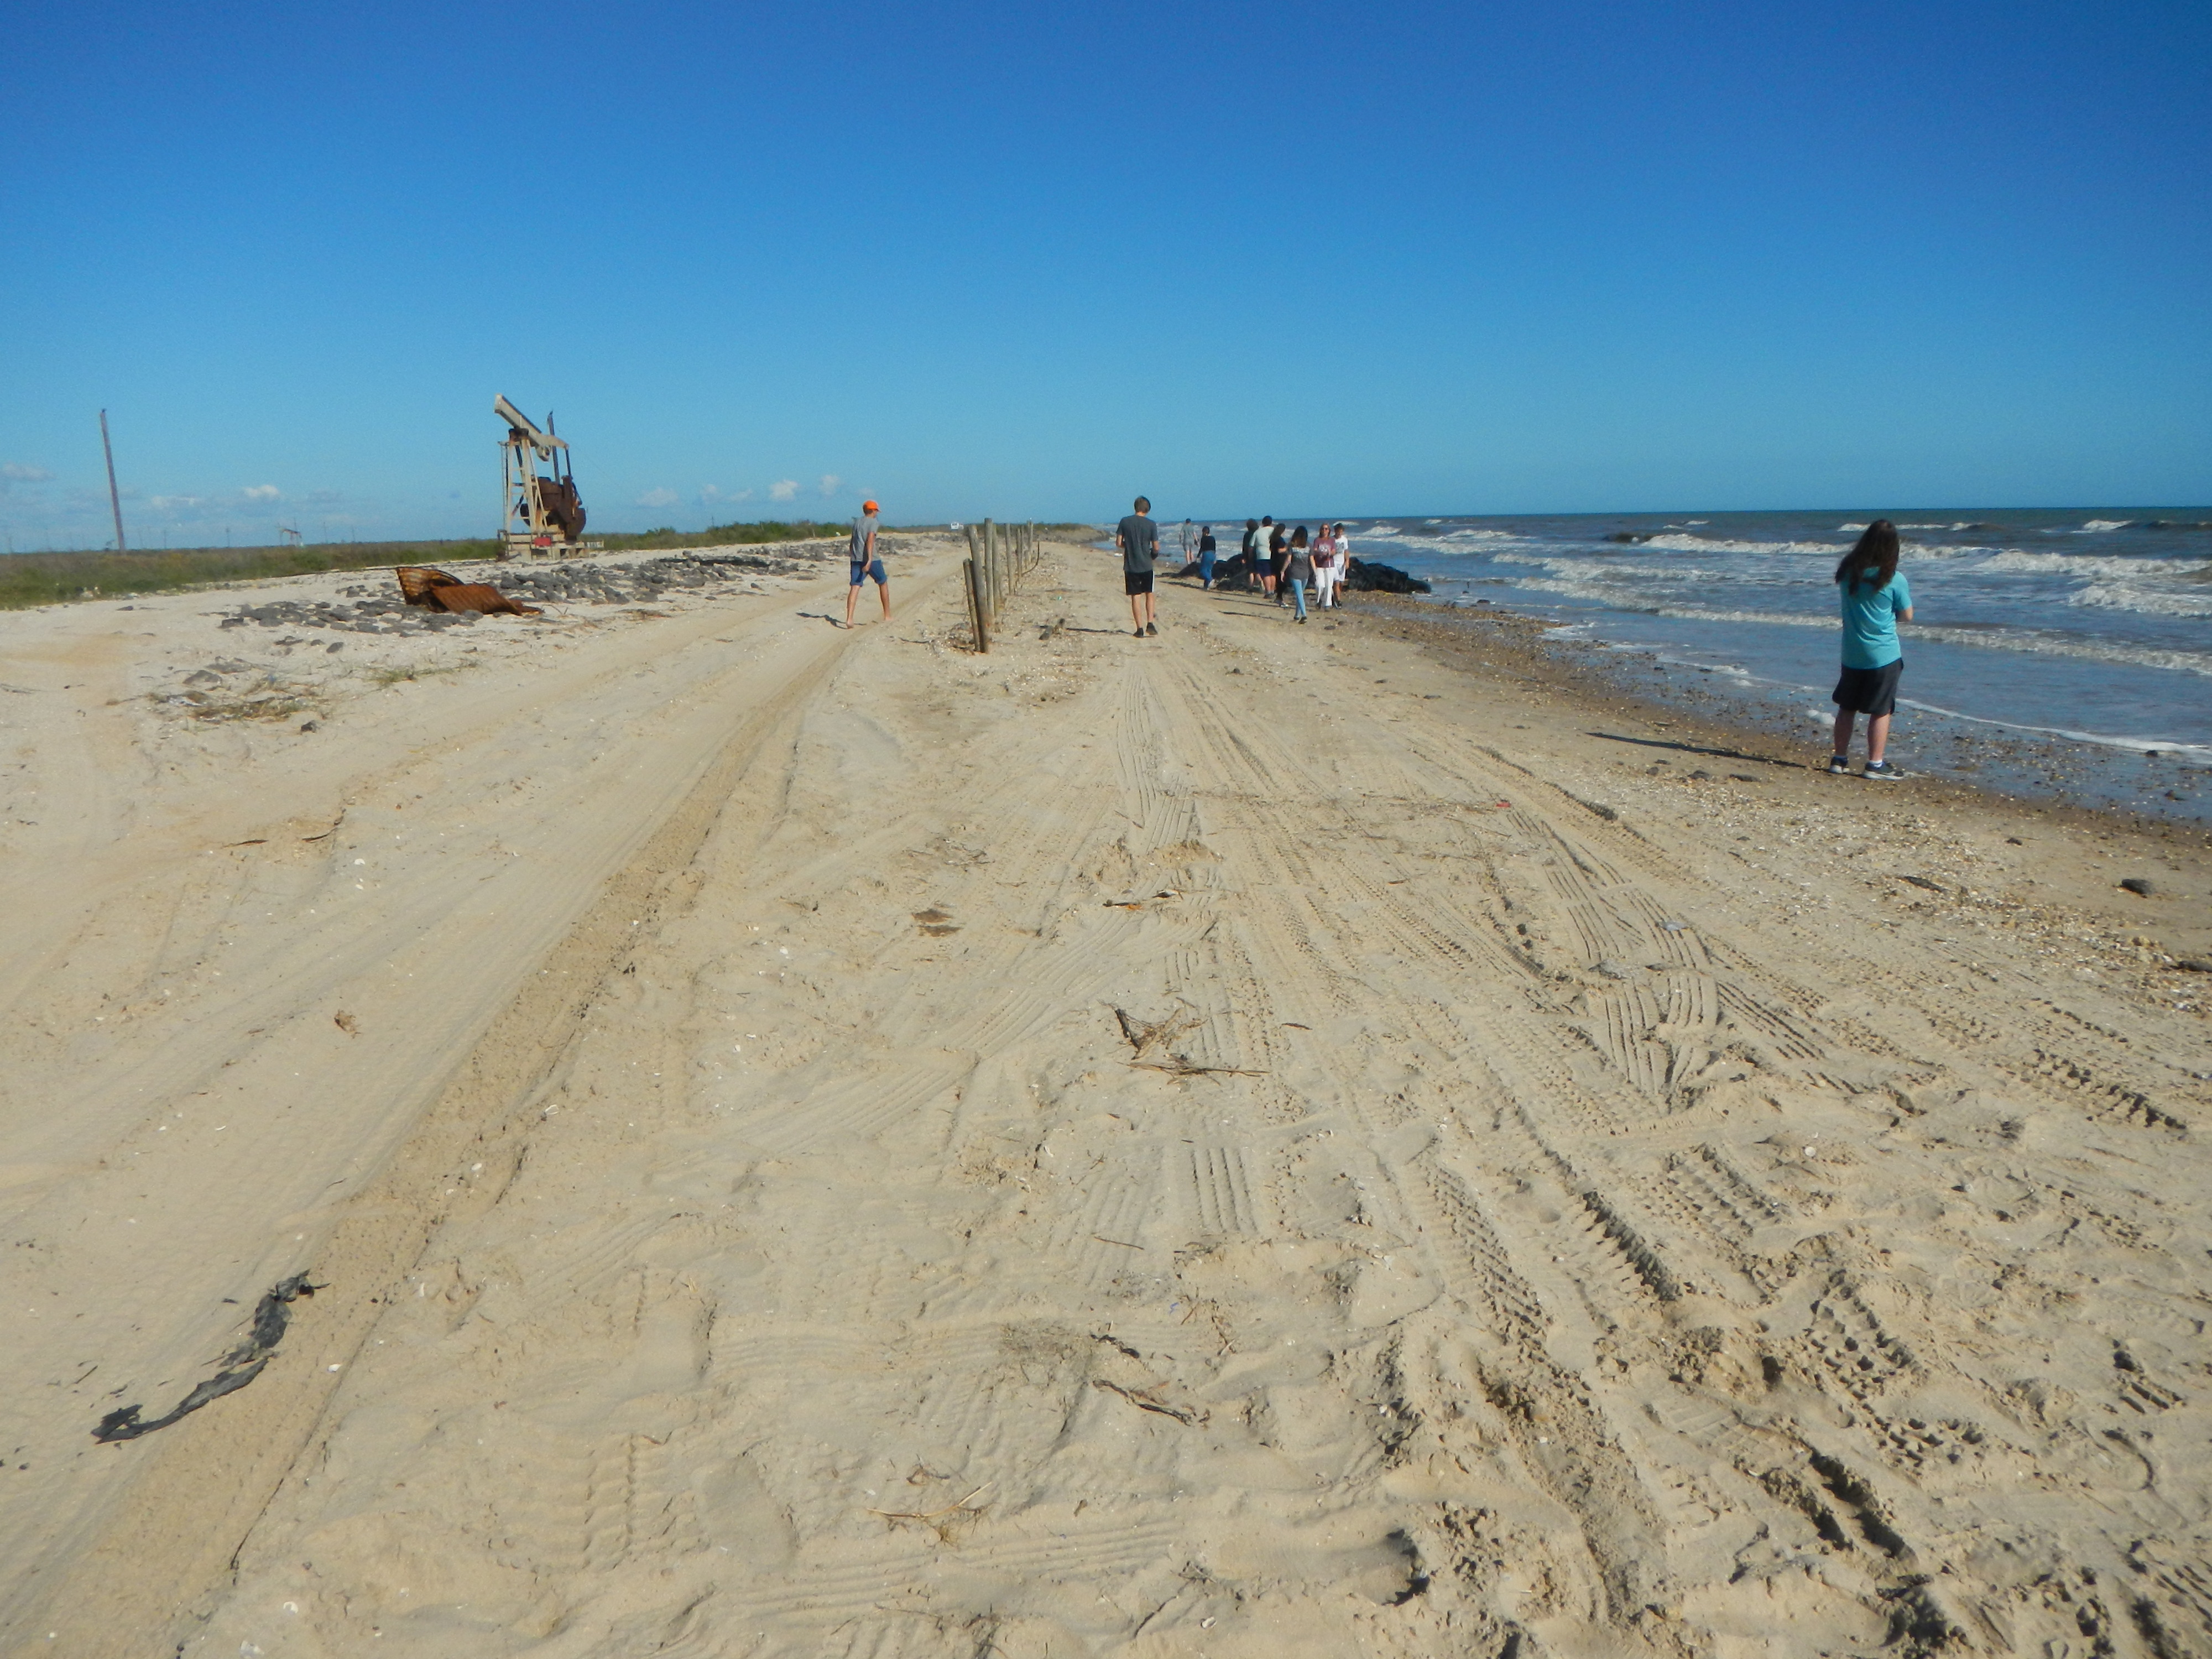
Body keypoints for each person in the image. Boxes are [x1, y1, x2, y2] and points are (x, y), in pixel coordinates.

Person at [1829, 519, 1913, 779]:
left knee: (1847, 707)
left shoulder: (1848, 572)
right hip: (1883, 653)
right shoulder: (1894, 579)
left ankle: (1839, 758)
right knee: (1880, 709)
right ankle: (1875, 763)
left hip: (1852, 651)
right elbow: (1907, 615)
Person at [1118, 495, 1160, 637]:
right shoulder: (1151, 524)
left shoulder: (1125, 522)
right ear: (1147, 509)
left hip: (1131, 565)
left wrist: (1129, 546)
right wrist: (1153, 555)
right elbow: (1156, 547)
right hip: (1147, 564)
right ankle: (1150, 623)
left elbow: (1119, 543)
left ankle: (1139, 628)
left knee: (1136, 597)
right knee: (1150, 593)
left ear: (1136, 507)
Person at [845, 499, 888, 626]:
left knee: (855, 586)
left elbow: (853, 541)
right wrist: (869, 560)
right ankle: (887, 615)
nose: (877, 513)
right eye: (876, 511)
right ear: (873, 511)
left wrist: (852, 555)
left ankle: (849, 619)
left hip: (855, 558)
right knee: (883, 582)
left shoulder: (857, 522)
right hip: (871, 559)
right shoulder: (873, 522)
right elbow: (870, 540)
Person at [1284, 526, 1314, 621]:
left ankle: (1304, 615)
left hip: (1295, 573)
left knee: (1299, 595)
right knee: (1300, 594)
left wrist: (1282, 571)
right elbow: (1312, 561)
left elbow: (1288, 560)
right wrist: (1316, 573)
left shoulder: (1292, 546)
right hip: (1306, 573)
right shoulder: (1309, 547)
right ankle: (1297, 615)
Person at [1311, 523, 1340, 609]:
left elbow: (1334, 551)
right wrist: (1320, 553)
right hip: (1319, 565)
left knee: (1329, 585)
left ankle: (1328, 604)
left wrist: (1329, 553)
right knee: (1320, 585)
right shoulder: (1317, 540)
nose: (1325, 530)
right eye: (1323, 529)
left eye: (1326, 529)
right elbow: (1314, 551)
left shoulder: (1332, 540)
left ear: (1329, 531)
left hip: (1329, 565)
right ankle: (1319, 600)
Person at [1268, 519, 1290, 605]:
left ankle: (1279, 597)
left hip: (1274, 560)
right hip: (1280, 561)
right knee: (1283, 580)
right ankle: (1279, 598)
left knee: (1278, 579)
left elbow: (1271, 549)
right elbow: (1280, 550)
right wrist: (1288, 547)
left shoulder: (1273, 538)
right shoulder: (1280, 540)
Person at [1198, 524, 1218, 588]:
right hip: (1213, 554)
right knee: (1209, 570)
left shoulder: (1204, 538)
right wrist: (1215, 557)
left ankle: (1211, 579)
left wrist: (1198, 556)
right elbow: (1214, 548)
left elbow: (1202, 548)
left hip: (1206, 554)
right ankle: (1206, 586)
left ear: (1204, 532)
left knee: (1203, 571)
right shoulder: (1213, 538)